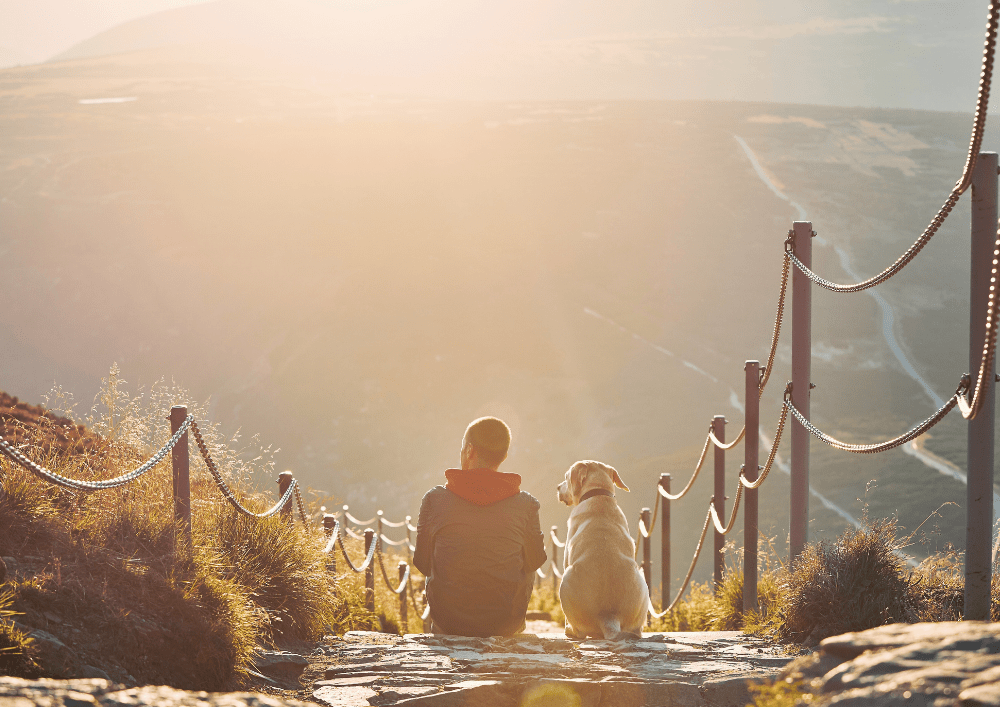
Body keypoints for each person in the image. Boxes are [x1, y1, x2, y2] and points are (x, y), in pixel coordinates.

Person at [413, 416, 546, 637]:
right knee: (527, 559)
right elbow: (536, 561)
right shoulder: (526, 505)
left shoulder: (435, 500)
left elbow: (422, 563)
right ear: (503, 456)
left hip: (450, 625)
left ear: (470, 450)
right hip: (506, 625)